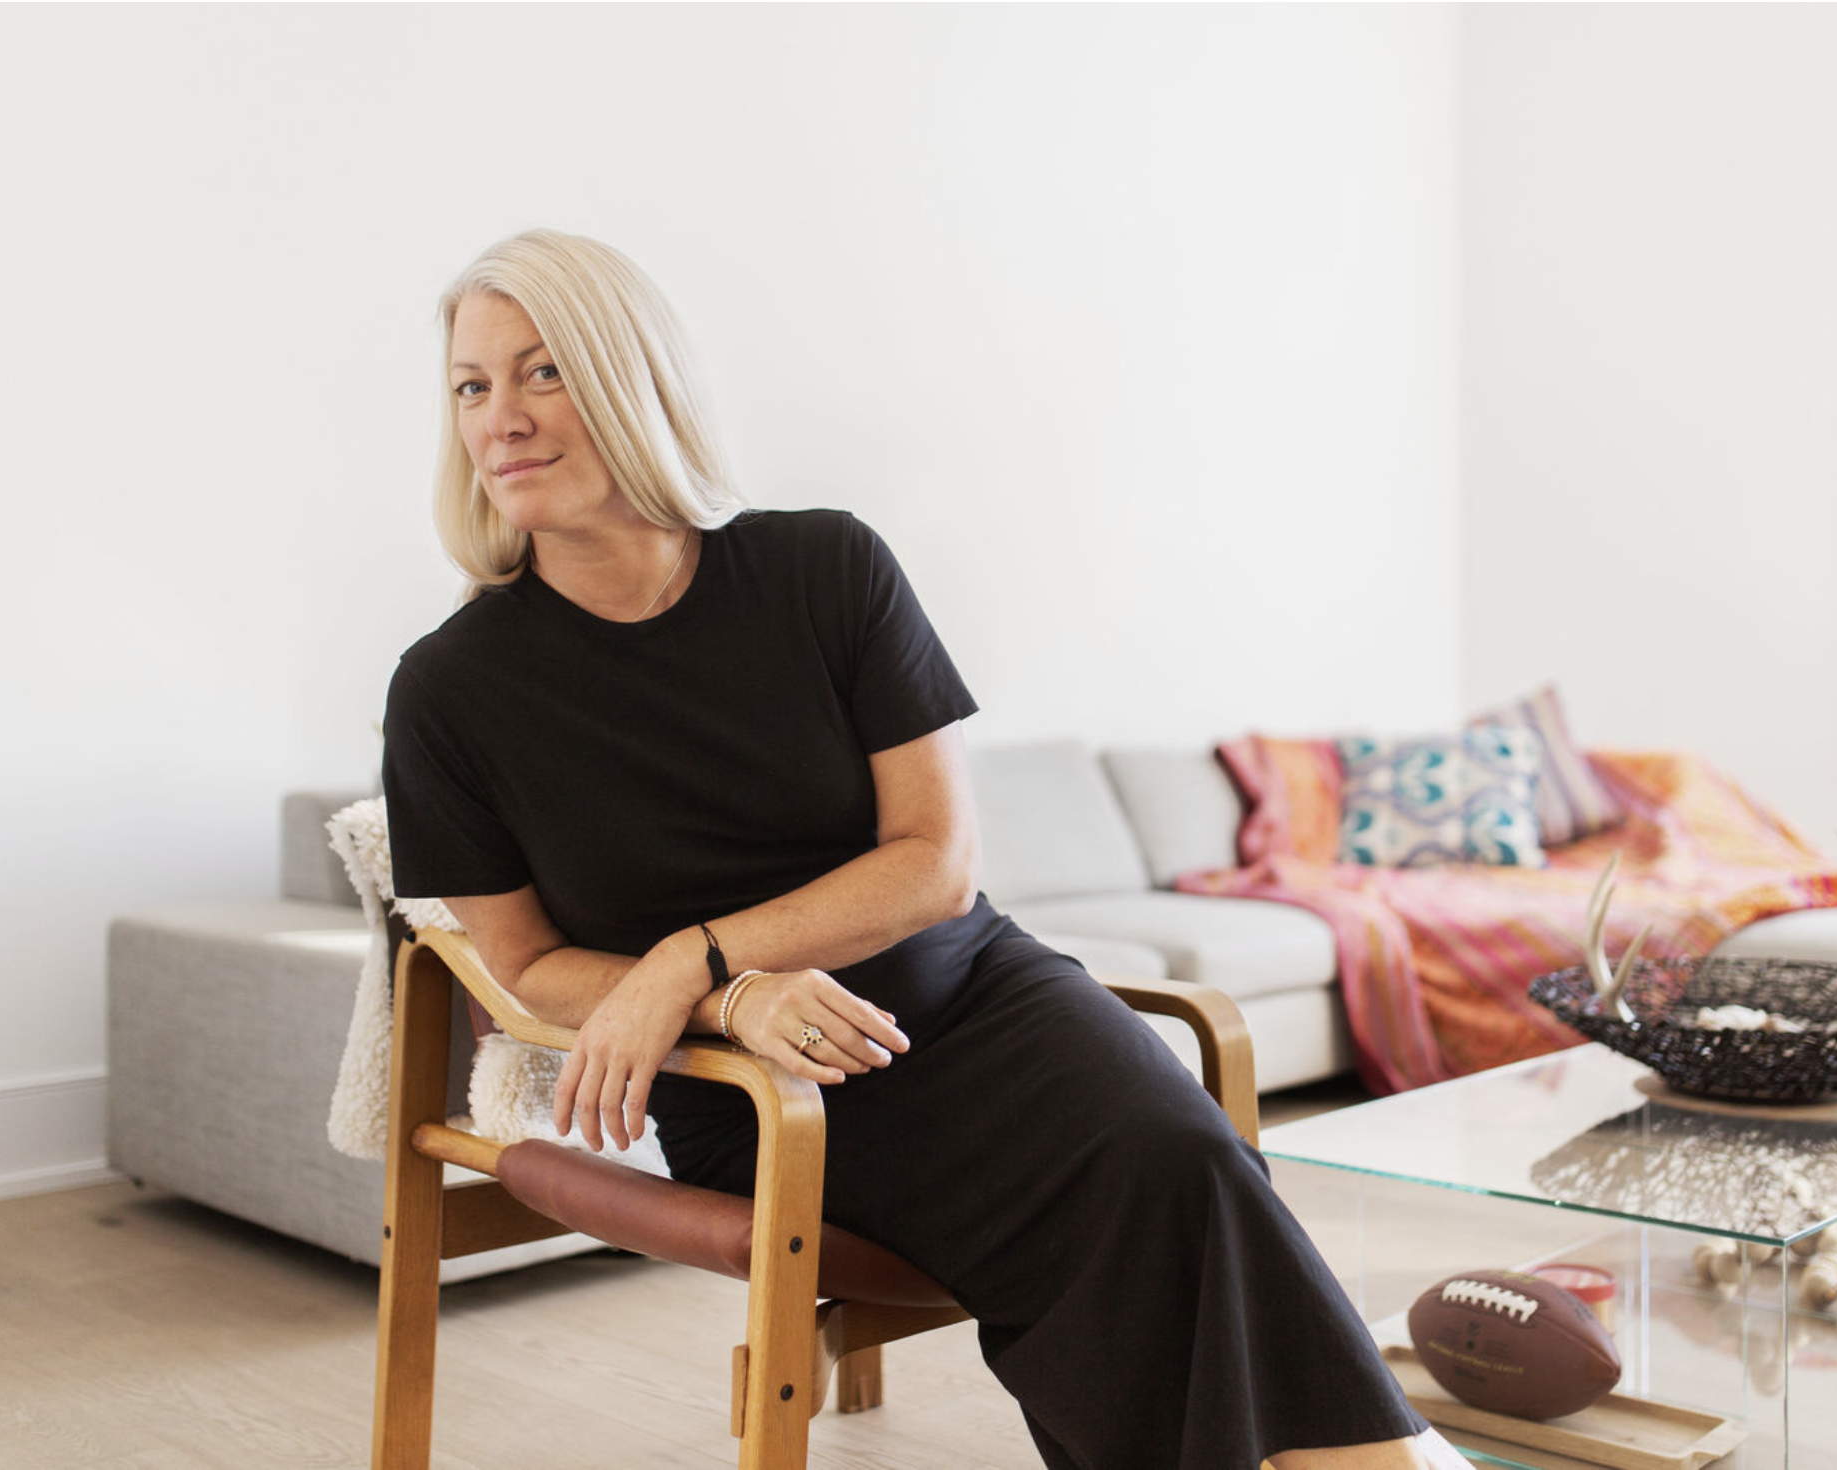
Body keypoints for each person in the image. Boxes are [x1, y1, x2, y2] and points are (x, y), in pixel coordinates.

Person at [382, 228, 1467, 1470]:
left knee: (1176, 1157)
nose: (499, 419)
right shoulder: (449, 690)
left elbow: (934, 859)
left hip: (974, 997)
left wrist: (697, 955)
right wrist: (729, 1002)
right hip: (762, 1082)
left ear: (632, 380)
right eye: (471, 386)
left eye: (541, 373)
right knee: (1098, 1229)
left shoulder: (824, 568)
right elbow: (522, 960)